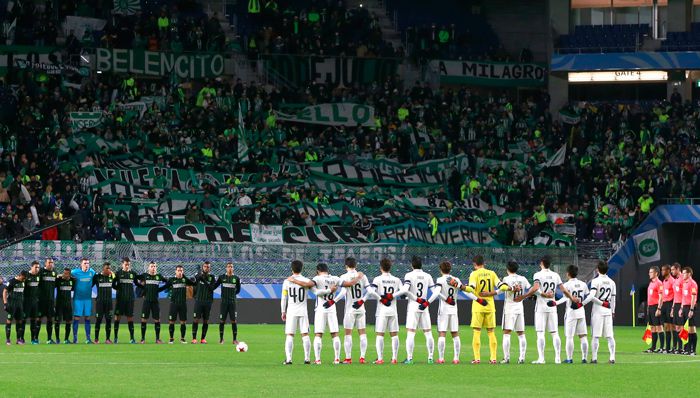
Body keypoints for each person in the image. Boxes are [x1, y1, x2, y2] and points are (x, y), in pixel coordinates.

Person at [287, 262, 359, 364]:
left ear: (318, 271)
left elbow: (308, 285)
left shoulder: (317, 279)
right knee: (335, 334)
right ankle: (337, 359)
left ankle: (317, 359)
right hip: (332, 308)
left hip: (320, 309)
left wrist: (293, 280)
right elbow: (350, 284)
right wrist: (359, 277)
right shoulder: (335, 278)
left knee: (318, 334)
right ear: (327, 270)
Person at [516, 255, 579, 364]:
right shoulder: (555, 275)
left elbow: (535, 288)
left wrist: (524, 296)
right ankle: (558, 358)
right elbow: (563, 289)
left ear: (541, 263)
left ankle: (541, 358)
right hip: (552, 307)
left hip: (541, 307)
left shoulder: (538, 274)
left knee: (540, 333)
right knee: (555, 333)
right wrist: (572, 297)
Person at [449, 254, 506, 364]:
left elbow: (471, 289)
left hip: (478, 306)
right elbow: (502, 286)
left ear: (474, 264)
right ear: (483, 263)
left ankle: (477, 358)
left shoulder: (474, 274)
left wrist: (459, 286)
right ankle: (493, 358)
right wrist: (493, 293)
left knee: (477, 331)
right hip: (490, 306)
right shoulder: (492, 273)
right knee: (491, 332)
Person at [281, 260, 335, 365]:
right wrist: (329, 291)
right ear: (302, 269)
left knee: (290, 335)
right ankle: (307, 358)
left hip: (291, 311)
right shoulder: (306, 281)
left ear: (292, 269)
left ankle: (288, 359)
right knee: (305, 335)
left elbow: (284, 298)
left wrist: (283, 311)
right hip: (303, 311)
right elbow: (317, 292)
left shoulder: (287, 281)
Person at [435, 260, 481, 364]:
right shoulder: (456, 279)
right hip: (454, 310)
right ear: (450, 269)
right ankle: (456, 358)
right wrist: (477, 299)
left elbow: (437, 292)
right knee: (455, 334)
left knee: (442, 333)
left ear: (440, 270)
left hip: (444, 310)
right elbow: (465, 291)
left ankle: (441, 358)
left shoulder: (440, 279)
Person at [333, 257, 374, 364]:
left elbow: (342, 293)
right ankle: (362, 358)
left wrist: (333, 301)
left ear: (346, 266)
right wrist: (362, 301)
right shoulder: (362, 276)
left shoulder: (344, 276)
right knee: (362, 333)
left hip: (350, 309)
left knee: (348, 334)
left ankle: (348, 358)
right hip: (360, 308)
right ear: (356, 265)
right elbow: (370, 291)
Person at [401, 256, 440, 364]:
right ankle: (430, 358)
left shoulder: (409, 275)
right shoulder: (427, 276)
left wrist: (404, 294)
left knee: (411, 333)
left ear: (412, 265)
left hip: (413, 306)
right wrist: (427, 302)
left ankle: (409, 358)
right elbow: (435, 291)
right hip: (424, 306)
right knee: (428, 332)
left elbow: (406, 290)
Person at [368, 258, 406, 364]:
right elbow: (403, 291)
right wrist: (393, 295)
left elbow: (371, 291)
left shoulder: (377, 279)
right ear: (390, 267)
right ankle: (394, 358)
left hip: (382, 311)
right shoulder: (397, 279)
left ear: (380, 268)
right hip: (393, 310)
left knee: (380, 334)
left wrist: (381, 298)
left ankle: (380, 359)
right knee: (394, 334)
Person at [552, 265, 590, 363]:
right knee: (583, 336)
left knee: (569, 336)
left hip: (571, 312)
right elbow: (586, 296)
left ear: (568, 273)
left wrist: (555, 303)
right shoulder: (583, 284)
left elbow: (565, 298)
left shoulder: (567, 285)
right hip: (581, 311)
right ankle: (584, 358)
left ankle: (569, 358)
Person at [500, 260, 530, 364]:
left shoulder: (506, 279)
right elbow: (531, 290)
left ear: (507, 269)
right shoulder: (523, 279)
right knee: (521, 333)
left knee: (507, 333)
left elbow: (501, 289)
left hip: (509, 308)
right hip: (519, 308)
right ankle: (522, 358)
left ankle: (506, 358)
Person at [586, 260, 616, 363]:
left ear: (597, 270)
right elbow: (613, 299)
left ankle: (594, 358)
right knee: (610, 336)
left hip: (598, 311)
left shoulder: (595, 281)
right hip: (608, 310)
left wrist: (582, 303)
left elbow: (592, 297)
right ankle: (612, 358)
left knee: (595, 335)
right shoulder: (612, 282)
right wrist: (613, 311)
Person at [137, 261, 167, 344]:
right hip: (146, 301)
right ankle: (142, 339)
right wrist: (142, 288)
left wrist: (159, 290)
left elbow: (168, 283)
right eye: (152, 266)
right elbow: (135, 279)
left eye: (154, 266)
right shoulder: (145, 276)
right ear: (148, 268)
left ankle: (157, 339)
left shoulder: (159, 276)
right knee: (143, 320)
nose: (153, 268)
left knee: (157, 320)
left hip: (155, 301)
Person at [164, 265, 196, 344]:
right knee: (171, 321)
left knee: (183, 322)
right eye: (178, 270)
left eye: (181, 270)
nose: (180, 272)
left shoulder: (185, 280)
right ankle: (171, 339)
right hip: (173, 304)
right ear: (175, 271)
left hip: (183, 304)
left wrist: (184, 276)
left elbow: (193, 283)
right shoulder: (172, 280)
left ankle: (182, 339)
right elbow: (165, 287)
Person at [112, 257, 139, 344]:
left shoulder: (133, 274)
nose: (127, 266)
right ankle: (115, 338)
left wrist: (144, 288)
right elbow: (113, 285)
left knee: (130, 318)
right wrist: (119, 289)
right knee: (117, 318)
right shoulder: (118, 273)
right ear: (122, 264)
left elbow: (137, 283)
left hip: (130, 299)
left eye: (128, 264)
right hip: (120, 299)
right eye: (126, 264)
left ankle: (132, 338)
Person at [71, 258, 96, 344]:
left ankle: (88, 338)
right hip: (78, 299)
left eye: (88, 263)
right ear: (81, 264)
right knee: (77, 318)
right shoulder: (75, 272)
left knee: (87, 318)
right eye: (85, 263)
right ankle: (75, 338)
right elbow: (66, 275)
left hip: (88, 299)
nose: (87, 265)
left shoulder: (92, 272)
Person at [215, 262, 241, 344]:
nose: (230, 268)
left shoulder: (236, 278)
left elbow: (238, 290)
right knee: (222, 321)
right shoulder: (221, 277)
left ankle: (234, 340)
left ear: (233, 268)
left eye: (231, 267)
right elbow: (214, 286)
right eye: (228, 267)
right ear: (226, 268)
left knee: (234, 321)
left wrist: (232, 295)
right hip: (224, 303)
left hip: (232, 303)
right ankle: (221, 339)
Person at [192, 261, 216, 344]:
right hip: (199, 301)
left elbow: (211, 288)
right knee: (196, 320)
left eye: (208, 267)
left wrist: (204, 280)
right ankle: (194, 339)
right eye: (205, 266)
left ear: (210, 268)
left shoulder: (212, 277)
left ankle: (203, 339)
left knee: (206, 321)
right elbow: (194, 283)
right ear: (203, 267)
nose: (206, 268)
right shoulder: (198, 276)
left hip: (208, 302)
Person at [92, 262, 115, 344]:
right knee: (98, 320)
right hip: (100, 302)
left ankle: (108, 339)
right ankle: (96, 339)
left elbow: (116, 285)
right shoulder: (97, 277)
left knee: (109, 320)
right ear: (103, 269)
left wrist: (113, 275)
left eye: (109, 268)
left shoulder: (111, 277)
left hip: (109, 303)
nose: (109, 270)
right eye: (107, 268)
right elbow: (90, 285)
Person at [4, 271, 28, 345]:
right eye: (23, 278)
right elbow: (5, 291)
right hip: (12, 304)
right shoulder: (12, 281)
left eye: (25, 279)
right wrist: (5, 303)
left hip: (20, 305)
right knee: (9, 321)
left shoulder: (23, 282)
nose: (24, 280)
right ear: (20, 275)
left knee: (20, 321)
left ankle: (18, 339)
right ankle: (8, 340)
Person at [38, 258, 58, 344]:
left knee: (50, 319)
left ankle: (49, 339)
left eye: (52, 262)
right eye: (49, 262)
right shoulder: (41, 271)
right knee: (39, 319)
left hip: (50, 301)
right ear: (45, 263)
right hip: (41, 300)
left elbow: (56, 284)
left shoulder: (54, 273)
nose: (51, 264)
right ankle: (35, 338)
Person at [644, 266, 663, 353]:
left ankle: (662, 348)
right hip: (651, 307)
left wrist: (659, 308)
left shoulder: (659, 283)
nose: (649, 274)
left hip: (656, 307)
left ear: (656, 273)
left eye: (651, 272)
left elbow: (661, 297)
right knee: (652, 328)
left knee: (659, 327)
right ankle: (653, 347)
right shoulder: (651, 283)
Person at [55, 268, 76, 344]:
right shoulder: (59, 280)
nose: (65, 274)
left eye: (67, 273)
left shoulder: (72, 281)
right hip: (59, 304)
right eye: (64, 273)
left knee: (68, 321)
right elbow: (54, 284)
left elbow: (73, 288)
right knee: (57, 321)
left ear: (69, 274)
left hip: (68, 304)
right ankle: (57, 339)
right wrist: (58, 277)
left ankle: (66, 339)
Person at [679, 267, 697, 355]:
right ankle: (688, 349)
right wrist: (681, 308)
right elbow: (683, 297)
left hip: (690, 307)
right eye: (682, 273)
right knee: (686, 329)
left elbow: (693, 297)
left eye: (684, 273)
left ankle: (692, 350)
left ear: (689, 274)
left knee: (691, 329)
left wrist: (691, 309)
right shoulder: (684, 283)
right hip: (685, 307)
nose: (682, 275)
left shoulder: (692, 284)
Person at [24, 261, 41, 344]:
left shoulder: (38, 276)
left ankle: (33, 339)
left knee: (33, 320)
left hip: (35, 302)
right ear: (31, 267)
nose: (37, 269)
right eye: (35, 267)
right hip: (26, 302)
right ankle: (21, 339)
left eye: (38, 267)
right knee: (23, 320)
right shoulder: (26, 275)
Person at [660, 264, 675, 353]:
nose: (662, 272)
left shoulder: (672, 281)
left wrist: (673, 307)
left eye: (663, 270)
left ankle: (675, 347)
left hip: (670, 303)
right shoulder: (664, 281)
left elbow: (676, 294)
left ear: (668, 271)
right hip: (664, 305)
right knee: (666, 327)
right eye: (661, 270)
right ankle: (668, 347)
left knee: (672, 326)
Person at [671, 263, 684, 353]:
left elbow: (684, 295)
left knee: (682, 327)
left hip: (681, 305)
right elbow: (675, 295)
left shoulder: (683, 279)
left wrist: (682, 307)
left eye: (673, 270)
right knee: (676, 327)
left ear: (678, 269)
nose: (672, 271)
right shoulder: (676, 280)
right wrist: (672, 308)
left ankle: (684, 347)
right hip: (675, 305)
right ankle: (678, 348)